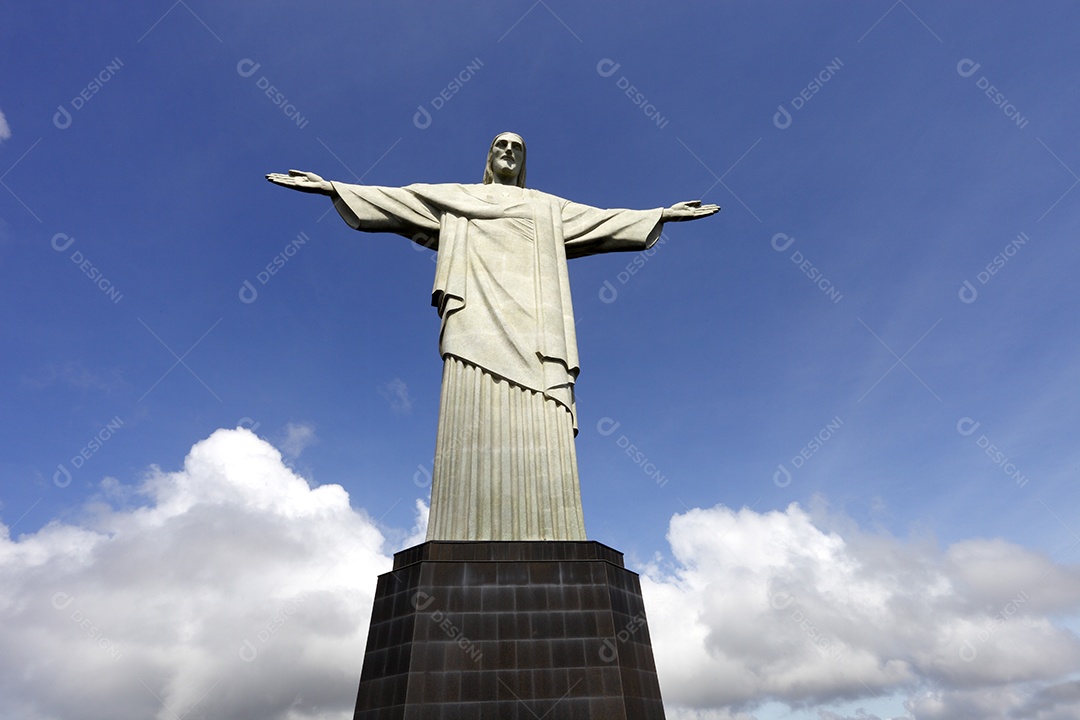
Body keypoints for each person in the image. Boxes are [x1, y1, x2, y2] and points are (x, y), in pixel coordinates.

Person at [267, 132, 718, 541]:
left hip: (538, 331)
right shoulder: (458, 197)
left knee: (543, 416)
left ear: (523, 162)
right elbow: (397, 201)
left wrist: (661, 214)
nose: (507, 152)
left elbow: (603, 221)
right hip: (474, 321)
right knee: (469, 405)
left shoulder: (546, 207)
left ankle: (554, 531)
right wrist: (331, 187)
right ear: (488, 157)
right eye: (499, 146)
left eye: (517, 148)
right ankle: (458, 530)